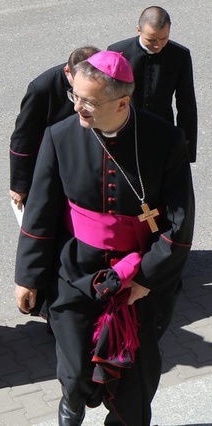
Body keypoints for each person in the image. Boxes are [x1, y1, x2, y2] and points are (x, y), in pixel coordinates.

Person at [14, 51, 194, 425]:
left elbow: (179, 225)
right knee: (76, 369)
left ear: (122, 102)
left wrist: (146, 278)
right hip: (76, 272)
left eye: (88, 102)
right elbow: (41, 211)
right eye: (74, 97)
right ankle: (72, 402)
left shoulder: (164, 139)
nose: (77, 107)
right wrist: (27, 276)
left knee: (135, 382)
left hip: (140, 279)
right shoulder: (59, 136)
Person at [9, 46, 99, 212]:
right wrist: (19, 185)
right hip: (54, 162)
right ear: (67, 71)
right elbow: (23, 137)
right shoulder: (41, 89)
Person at [108, 6, 198, 162]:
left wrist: (186, 148)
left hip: (163, 132)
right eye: (151, 39)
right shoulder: (117, 52)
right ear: (139, 30)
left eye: (164, 39)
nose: (158, 45)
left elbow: (186, 104)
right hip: (125, 132)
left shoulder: (180, 55)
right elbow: (107, 98)